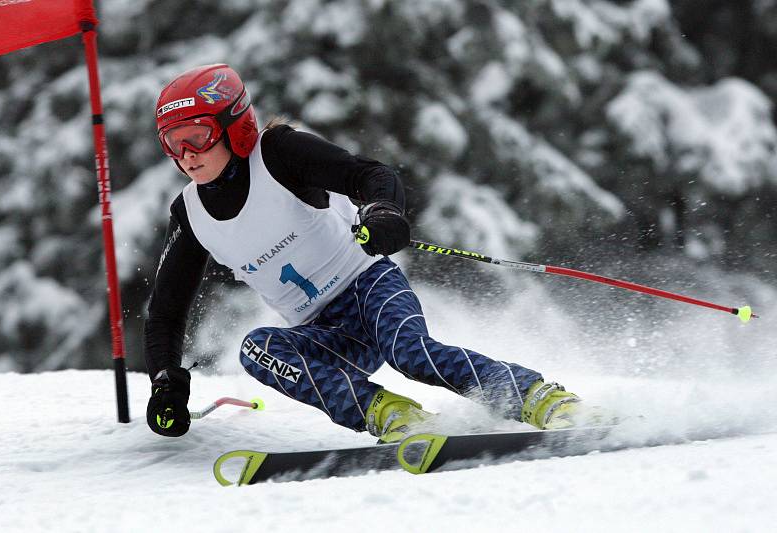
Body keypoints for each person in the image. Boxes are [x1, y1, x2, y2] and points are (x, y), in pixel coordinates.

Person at [145, 64, 587, 441]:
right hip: (323, 328)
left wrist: (382, 213)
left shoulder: (278, 153)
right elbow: (166, 311)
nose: (185, 156)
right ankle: (393, 416)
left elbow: (371, 176)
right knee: (258, 350)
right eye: (172, 143)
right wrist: (166, 383)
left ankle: (538, 398)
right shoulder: (191, 213)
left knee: (410, 354)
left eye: (196, 137)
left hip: (367, 284)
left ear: (233, 126)